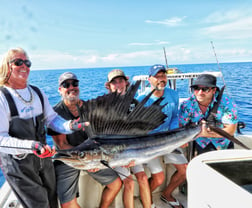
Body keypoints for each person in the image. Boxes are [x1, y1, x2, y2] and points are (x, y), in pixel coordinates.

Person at [0, 48, 86, 208]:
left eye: (27, 63)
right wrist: (32, 146)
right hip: (19, 165)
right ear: (7, 66)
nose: (24, 66)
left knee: (52, 201)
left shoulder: (37, 92)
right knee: (39, 204)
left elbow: (52, 119)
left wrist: (70, 126)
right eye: (18, 62)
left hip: (43, 158)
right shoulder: (2, 97)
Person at [47, 72, 122, 208]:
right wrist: (87, 162)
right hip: (68, 158)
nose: (71, 87)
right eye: (66, 84)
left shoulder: (90, 107)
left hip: (91, 155)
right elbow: (62, 144)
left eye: (74, 83)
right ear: (60, 90)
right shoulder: (55, 113)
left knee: (116, 184)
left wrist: (94, 161)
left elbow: (99, 136)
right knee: (67, 204)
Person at [136, 64, 187, 208]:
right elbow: (137, 127)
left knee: (185, 170)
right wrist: (152, 148)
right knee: (158, 178)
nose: (161, 79)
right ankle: (146, 196)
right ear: (149, 79)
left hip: (170, 139)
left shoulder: (173, 94)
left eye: (163, 75)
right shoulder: (141, 99)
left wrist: (176, 136)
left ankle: (167, 193)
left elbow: (175, 116)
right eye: (157, 76)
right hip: (151, 144)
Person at [105, 69, 152, 208]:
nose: (118, 84)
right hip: (116, 152)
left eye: (120, 81)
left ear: (126, 83)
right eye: (114, 82)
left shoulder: (135, 103)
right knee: (129, 182)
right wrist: (123, 158)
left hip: (134, 149)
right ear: (109, 86)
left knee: (143, 178)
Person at [179, 74, 238, 155]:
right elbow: (181, 126)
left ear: (214, 90)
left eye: (205, 89)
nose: (200, 92)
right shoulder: (187, 105)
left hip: (223, 144)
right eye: (196, 88)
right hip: (201, 144)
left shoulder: (227, 103)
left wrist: (206, 134)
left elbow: (230, 130)